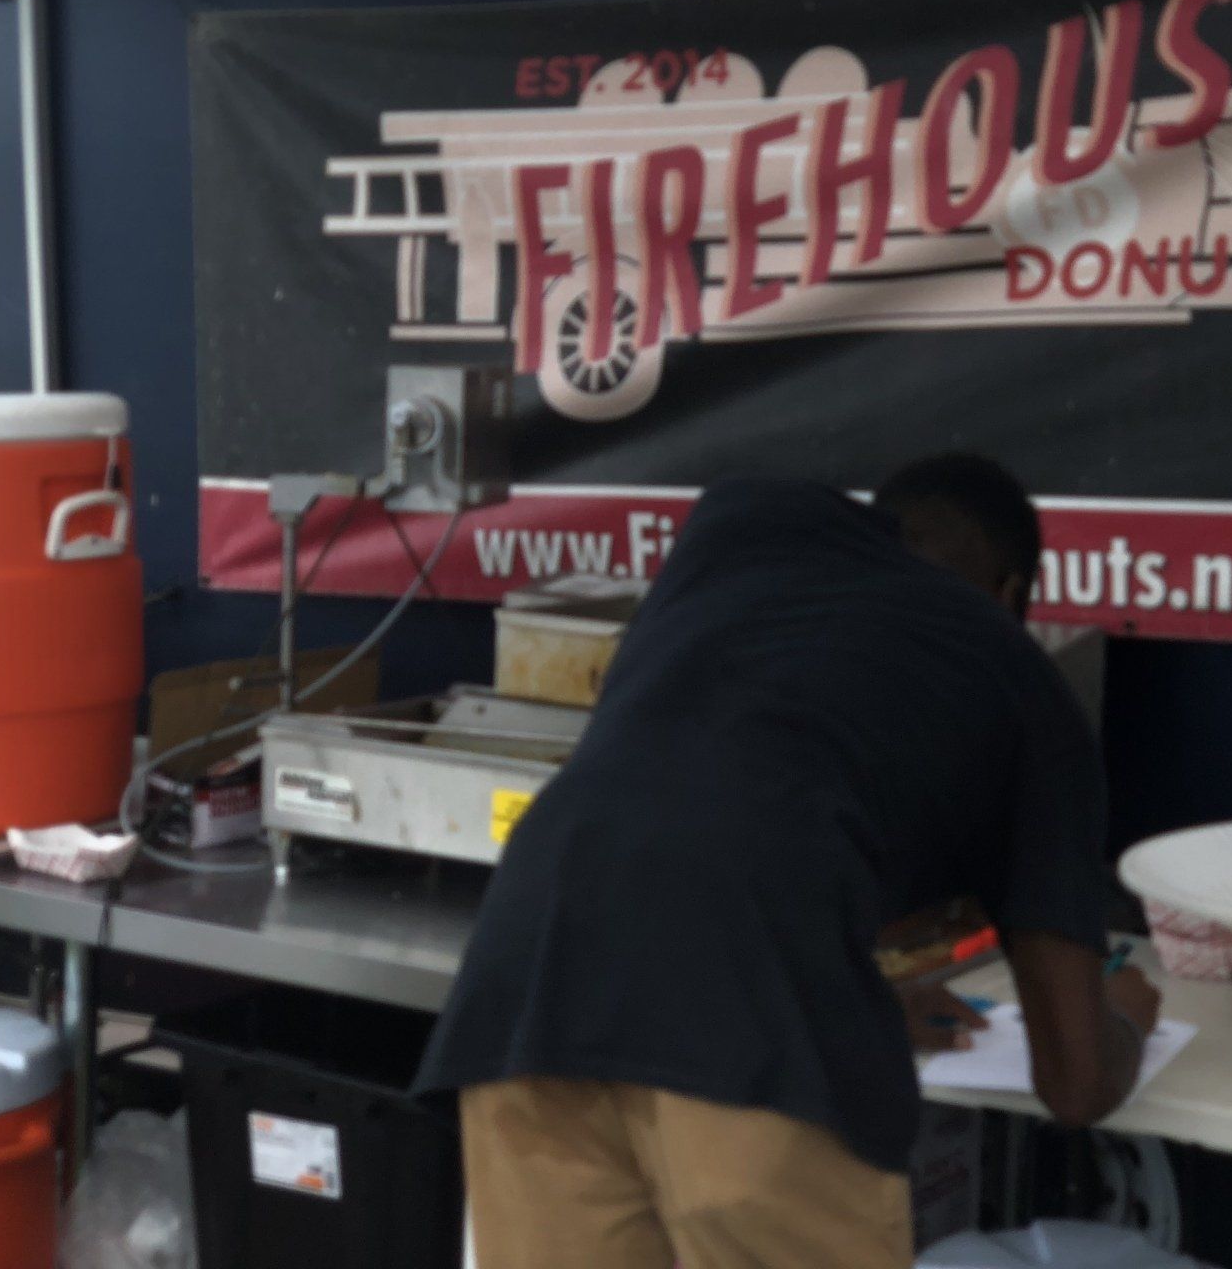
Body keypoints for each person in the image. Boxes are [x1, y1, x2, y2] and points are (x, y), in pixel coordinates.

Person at [416, 455, 1162, 1269]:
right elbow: (1076, 1085)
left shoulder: (739, 537)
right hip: (754, 1051)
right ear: (1014, 595)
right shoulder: (1026, 688)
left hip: (525, 1000)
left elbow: (723, 805)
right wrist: (1122, 1016)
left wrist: (852, 993)